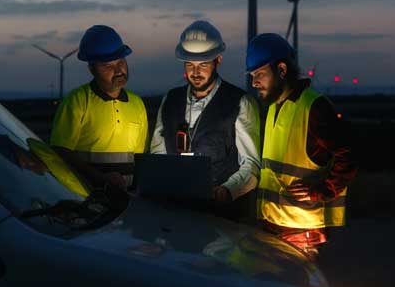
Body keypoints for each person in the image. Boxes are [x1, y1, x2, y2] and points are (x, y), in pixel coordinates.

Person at [246, 33, 357, 257]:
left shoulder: (313, 107)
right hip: (274, 225)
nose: (254, 82)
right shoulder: (273, 108)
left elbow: (349, 153)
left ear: (282, 70)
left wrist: (323, 190)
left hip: (301, 232)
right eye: (252, 75)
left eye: (259, 74)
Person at [150, 20, 260, 211]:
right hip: (175, 211)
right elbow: (157, 154)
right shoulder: (170, 100)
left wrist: (227, 190)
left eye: (203, 64)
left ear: (218, 60)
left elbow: (250, 166)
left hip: (222, 217)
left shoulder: (240, 102)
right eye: (190, 65)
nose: (195, 72)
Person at [50, 25, 148, 192]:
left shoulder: (137, 103)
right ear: (92, 69)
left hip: (129, 199)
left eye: (121, 62)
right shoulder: (77, 101)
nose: (118, 71)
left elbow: (141, 158)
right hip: (88, 197)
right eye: (108, 66)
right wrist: (99, 178)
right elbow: (60, 152)